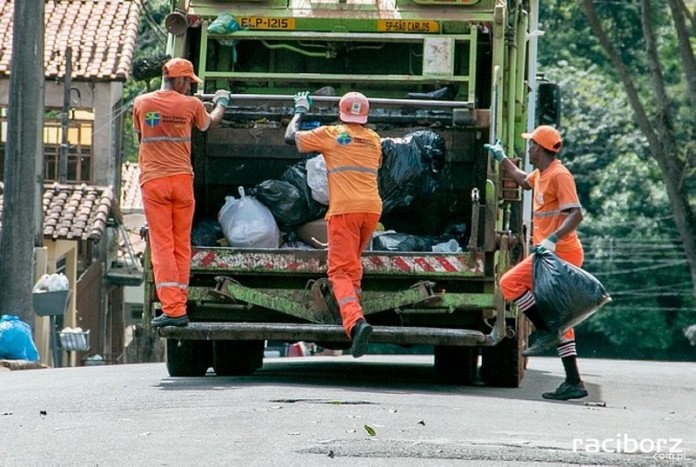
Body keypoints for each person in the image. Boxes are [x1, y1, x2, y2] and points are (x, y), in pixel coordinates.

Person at [484, 125, 588, 401]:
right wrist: (501, 157)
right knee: (561, 320)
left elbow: (576, 214)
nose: (528, 148)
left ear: (540, 149)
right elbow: (521, 179)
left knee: (509, 282)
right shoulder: (541, 174)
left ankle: (545, 332)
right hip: (549, 255)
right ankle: (573, 380)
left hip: (560, 254)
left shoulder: (560, 175)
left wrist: (552, 239)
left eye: (531, 145)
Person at [133, 57, 230, 328]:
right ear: (175, 79)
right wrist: (222, 102)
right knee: (180, 245)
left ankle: (174, 309)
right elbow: (209, 124)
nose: (189, 86)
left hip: (154, 183)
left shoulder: (142, 103)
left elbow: (141, 137)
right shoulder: (192, 106)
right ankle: (179, 302)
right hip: (181, 183)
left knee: (163, 246)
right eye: (187, 80)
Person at [284, 91, 382, 358]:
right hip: (371, 209)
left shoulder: (332, 134)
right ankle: (354, 309)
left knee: (338, 271)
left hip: (344, 211)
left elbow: (290, 137)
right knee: (353, 265)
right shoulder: (374, 139)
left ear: (341, 113)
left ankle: (354, 323)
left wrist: (300, 111)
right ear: (365, 115)